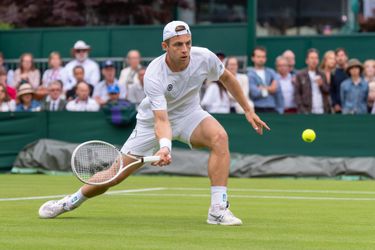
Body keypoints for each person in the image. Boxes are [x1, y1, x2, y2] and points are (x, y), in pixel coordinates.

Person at [39, 20, 270, 226]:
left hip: (190, 114)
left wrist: (248, 110)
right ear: (165, 47)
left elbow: (227, 78)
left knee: (220, 138)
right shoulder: (154, 74)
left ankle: (218, 210)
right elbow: (162, 119)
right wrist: (165, 147)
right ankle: (70, 201)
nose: (185, 49)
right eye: (178, 44)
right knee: (114, 175)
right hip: (152, 124)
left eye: (188, 43)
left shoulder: (204, 57)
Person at [248, 46, 284, 113]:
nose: (261, 59)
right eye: (258, 57)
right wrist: (270, 89)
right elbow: (254, 93)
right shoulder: (249, 74)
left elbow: (277, 90)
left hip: (272, 109)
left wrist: (262, 88)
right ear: (253, 58)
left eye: (263, 57)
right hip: (257, 109)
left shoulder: (272, 72)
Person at [294, 49, 331, 114]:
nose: (314, 60)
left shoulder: (322, 74)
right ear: (307, 60)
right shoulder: (300, 75)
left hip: (322, 110)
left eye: (316, 58)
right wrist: (302, 110)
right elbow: (297, 94)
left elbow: (327, 91)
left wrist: (322, 85)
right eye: (312, 58)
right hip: (307, 111)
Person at [331, 48, 349, 113]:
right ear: (335, 58)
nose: (340, 58)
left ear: (346, 57)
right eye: (338, 56)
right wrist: (335, 104)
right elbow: (332, 90)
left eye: (342, 55)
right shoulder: (333, 73)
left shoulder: (352, 71)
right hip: (338, 108)